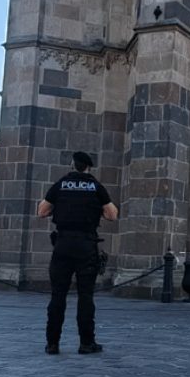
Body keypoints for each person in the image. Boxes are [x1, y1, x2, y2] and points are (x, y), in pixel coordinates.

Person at [37, 151, 118, 355]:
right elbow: (112, 215)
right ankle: (86, 343)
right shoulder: (95, 186)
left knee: (58, 295)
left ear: (72, 165)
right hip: (86, 245)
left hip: (62, 244)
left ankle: (52, 343)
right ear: (89, 167)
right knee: (85, 296)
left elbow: (42, 211)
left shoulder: (61, 184)